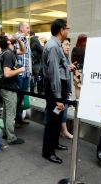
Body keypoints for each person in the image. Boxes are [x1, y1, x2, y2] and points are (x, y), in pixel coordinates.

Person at [42, 19, 70, 164]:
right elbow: (53, 74)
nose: (68, 31)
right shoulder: (53, 46)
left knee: (57, 119)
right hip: (55, 89)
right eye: (67, 28)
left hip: (59, 87)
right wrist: (58, 97)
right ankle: (48, 151)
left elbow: (59, 66)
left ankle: (54, 144)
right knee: (53, 120)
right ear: (61, 30)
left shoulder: (56, 45)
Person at [0, 34, 26, 145]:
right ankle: (11, 137)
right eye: (10, 36)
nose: (12, 34)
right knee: (11, 113)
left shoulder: (8, 51)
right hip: (9, 88)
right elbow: (7, 73)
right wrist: (20, 70)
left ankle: (5, 133)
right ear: (9, 42)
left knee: (6, 111)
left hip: (6, 87)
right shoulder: (8, 54)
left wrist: (18, 39)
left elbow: (23, 51)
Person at [15, 22, 32, 126]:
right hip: (19, 73)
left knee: (21, 96)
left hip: (26, 73)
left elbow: (28, 57)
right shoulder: (18, 38)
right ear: (21, 28)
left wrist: (29, 72)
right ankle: (17, 119)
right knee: (17, 97)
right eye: (27, 28)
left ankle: (20, 118)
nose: (29, 30)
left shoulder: (26, 39)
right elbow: (17, 53)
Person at [60, 38, 75, 139]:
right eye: (66, 44)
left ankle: (62, 130)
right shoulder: (59, 57)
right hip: (59, 88)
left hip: (65, 88)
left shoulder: (66, 57)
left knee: (63, 109)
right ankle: (64, 130)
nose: (68, 47)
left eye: (69, 45)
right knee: (61, 109)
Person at [71, 34, 87, 99]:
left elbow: (73, 60)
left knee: (77, 88)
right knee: (84, 87)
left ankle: (78, 103)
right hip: (86, 70)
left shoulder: (75, 49)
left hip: (77, 70)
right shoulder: (88, 48)